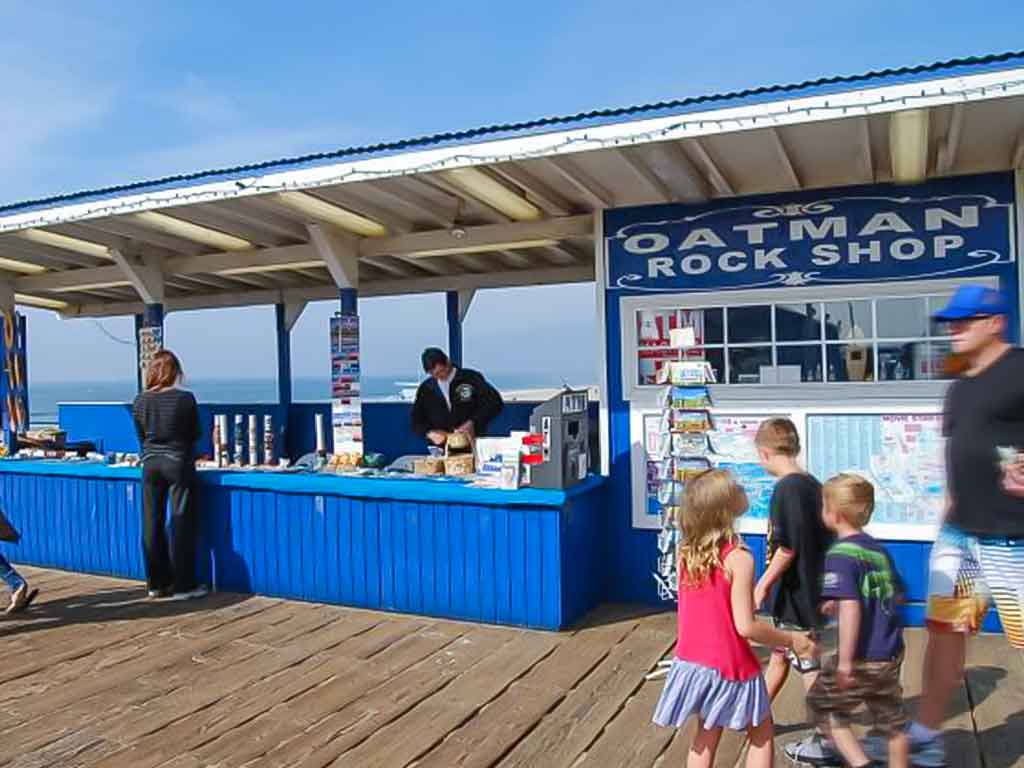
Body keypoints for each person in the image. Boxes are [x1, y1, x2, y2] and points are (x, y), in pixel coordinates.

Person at [876, 285, 1024, 765]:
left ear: (995, 322)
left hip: (1013, 539)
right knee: (944, 631)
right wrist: (945, 525)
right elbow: (957, 460)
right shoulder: (959, 382)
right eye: (950, 321)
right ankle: (926, 732)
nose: (953, 329)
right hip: (960, 533)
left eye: (965, 320)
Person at [652, 469, 816, 768]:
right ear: (727, 507)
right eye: (737, 487)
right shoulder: (739, 558)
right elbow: (746, 627)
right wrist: (792, 639)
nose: (743, 488)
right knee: (761, 733)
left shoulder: (687, 552)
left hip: (693, 663)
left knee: (705, 734)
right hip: (732, 666)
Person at [804, 473, 908, 768]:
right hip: (889, 652)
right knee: (892, 724)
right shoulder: (877, 550)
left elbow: (852, 607)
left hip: (861, 655)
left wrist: (846, 662)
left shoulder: (840, 555)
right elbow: (895, 596)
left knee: (824, 707)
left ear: (833, 514)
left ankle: (861, 763)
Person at [751, 418, 835, 764]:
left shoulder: (786, 489)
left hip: (797, 592)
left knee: (808, 661)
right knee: (781, 655)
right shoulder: (812, 485)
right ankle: (753, 715)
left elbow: (787, 547)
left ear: (766, 453)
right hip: (809, 587)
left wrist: (761, 585)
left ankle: (827, 739)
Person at [132, 350, 206, 601]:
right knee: (180, 520)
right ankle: (184, 585)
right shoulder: (185, 399)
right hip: (177, 461)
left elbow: (141, 436)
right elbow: (195, 433)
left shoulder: (140, 400)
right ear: (175, 372)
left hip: (150, 463)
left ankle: (156, 583)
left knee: (151, 523)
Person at [410, 348, 503, 447]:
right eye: (434, 374)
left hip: (472, 442)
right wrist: (429, 433)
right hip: (443, 447)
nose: (440, 376)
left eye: (441, 371)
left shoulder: (470, 378)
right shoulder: (426, 389)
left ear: (448, 362)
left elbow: (494, 402)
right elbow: (416, 420)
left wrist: (473, 422)